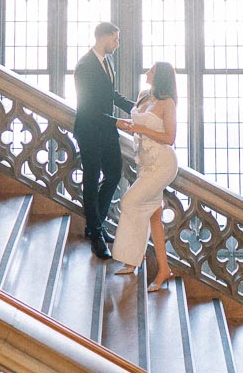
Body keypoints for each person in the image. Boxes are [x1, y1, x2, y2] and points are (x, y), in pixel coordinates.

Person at [111, 62, 179, 291]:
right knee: (154, 217)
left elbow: (170, 137)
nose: (147, 72)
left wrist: (141, 130)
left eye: (151, 70)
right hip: (145, 163)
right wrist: (130, 126)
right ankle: (163, 270)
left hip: (162, 164)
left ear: (160, 76)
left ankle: (134, 256)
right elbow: (138, 122)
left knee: (129, 201)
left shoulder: (168, 102)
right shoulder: (143, 96)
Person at [73, 22, 135, 260]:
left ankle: (94, 223)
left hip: (107, 132)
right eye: (115, 39)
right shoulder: (85, 66)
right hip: (90, 131)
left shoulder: (106, 62)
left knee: (113, 174)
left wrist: (135, 108)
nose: (117, 44)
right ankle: (96, 234)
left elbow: (111, 95)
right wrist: (116, 122)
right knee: (91, 180)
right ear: (104, 37)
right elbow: (86, 109)